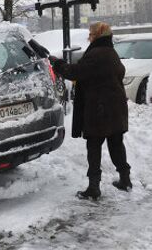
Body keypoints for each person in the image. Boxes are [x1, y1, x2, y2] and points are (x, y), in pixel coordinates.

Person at [49, 22, 132, 200]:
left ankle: (93, 188)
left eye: (91, 34)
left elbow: (75, 72)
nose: (89, 37)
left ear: (97, 35)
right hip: (115, 107)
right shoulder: (111, 52)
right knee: (116, 143)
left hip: (100, 110)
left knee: (94, 146)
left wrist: (58, 64)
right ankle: (125, 180)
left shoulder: (97, 54)